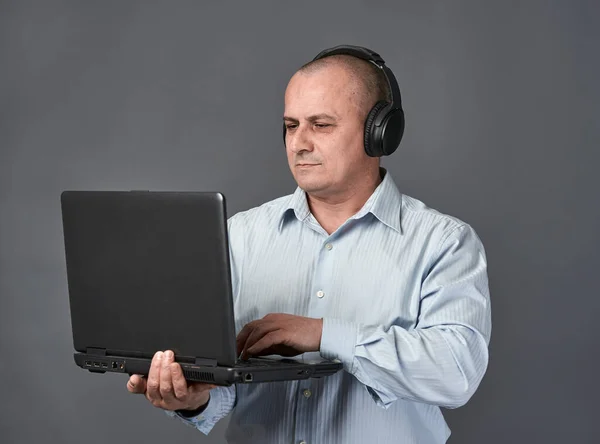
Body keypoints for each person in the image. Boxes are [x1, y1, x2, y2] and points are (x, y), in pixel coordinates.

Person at [126, 45, 492, 444]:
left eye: (321, 125)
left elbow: (456, 374)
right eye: (290, 124)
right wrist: (192, 399)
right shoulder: (240, 235)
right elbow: (225, 386)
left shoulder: (445, 242)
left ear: (379, 132)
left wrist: (325, 334)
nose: (299, 143)